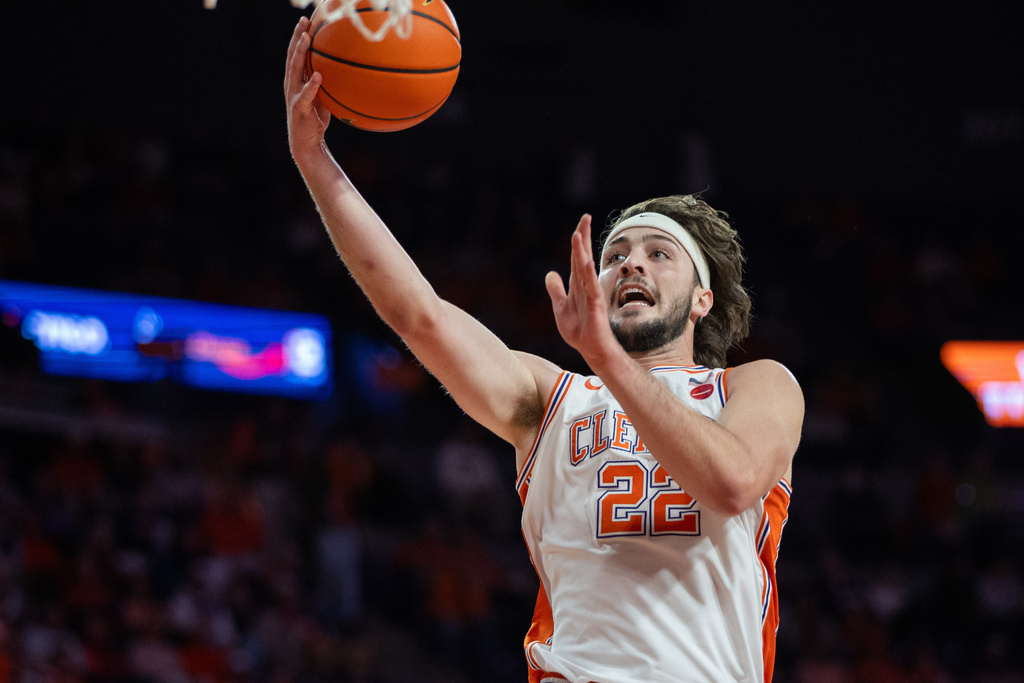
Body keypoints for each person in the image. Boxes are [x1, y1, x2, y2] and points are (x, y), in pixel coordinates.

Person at [284, 16, 803, 683]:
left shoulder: (755, 385)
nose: (630, 265)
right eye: (615, 255)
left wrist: (607, 359)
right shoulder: (550, 398)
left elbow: (730, 483)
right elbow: (419, 314)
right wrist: (314, 161)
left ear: (703, 299)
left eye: (658, 253)